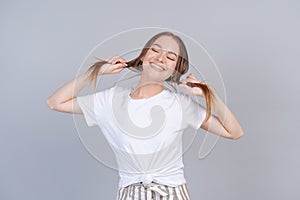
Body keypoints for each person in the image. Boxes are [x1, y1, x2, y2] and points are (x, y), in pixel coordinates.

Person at [46, 31, 244, 200]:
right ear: (143, 56)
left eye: (171, 57)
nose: (160, 58)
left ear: (175, 70)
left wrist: (209, 94)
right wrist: (96, 71)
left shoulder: (180, 105)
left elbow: (234, 132)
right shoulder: (110, 100)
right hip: (129, 194)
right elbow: (55, 102)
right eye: (155, 50)